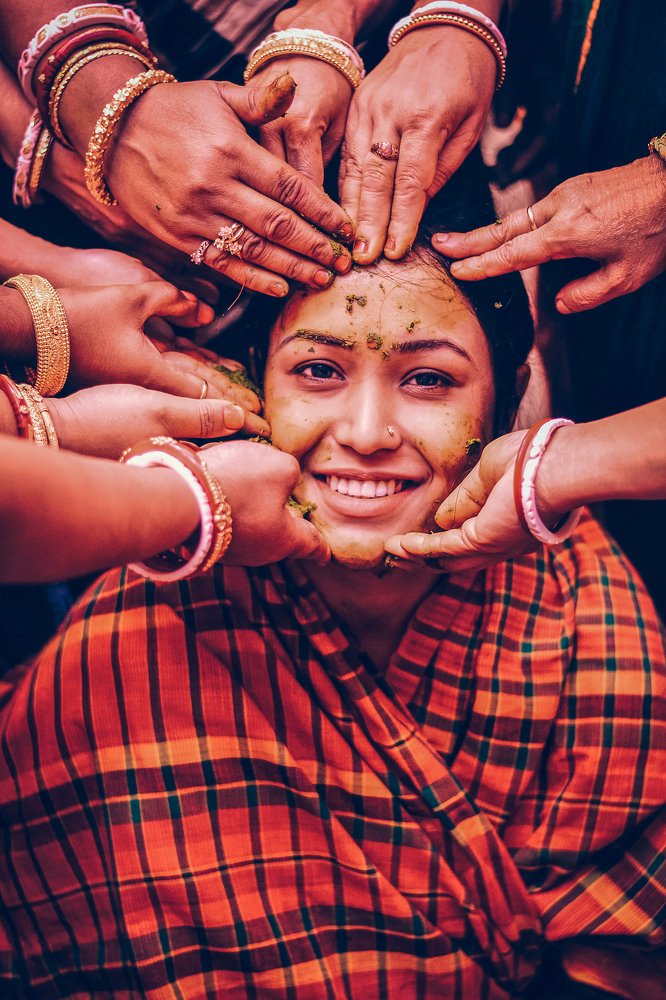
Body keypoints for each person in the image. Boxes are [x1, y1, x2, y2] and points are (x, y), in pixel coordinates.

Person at [1, 166, 664, 999]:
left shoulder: (584, 611)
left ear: (502, 409)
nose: (365, 433)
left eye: (428, 379)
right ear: (247, 387)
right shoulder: (123, 653)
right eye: (317, 371)